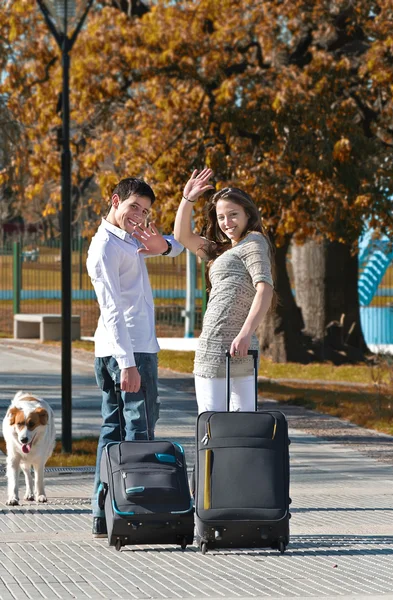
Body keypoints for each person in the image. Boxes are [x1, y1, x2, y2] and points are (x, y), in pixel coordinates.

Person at [86, 177, 184, 538]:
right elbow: (111, 309)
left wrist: (163, 245)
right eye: (134, 208)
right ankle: (139, 515)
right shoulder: (104, 249)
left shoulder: (127, 241)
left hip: (123, 348)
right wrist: (127, 363)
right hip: (129, 351)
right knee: (138, 432)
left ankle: (104, 515)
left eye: (145, 211)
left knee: (113, 432)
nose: (139, 216)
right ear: (115, 201)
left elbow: (175, 247)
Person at [174, 168, 275, 414]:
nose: (227, 223)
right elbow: (182, 236)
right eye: (221, 217)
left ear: (247, 214)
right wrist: (187, 199)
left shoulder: (254, 241)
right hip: (212, 345)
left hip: (240, 344)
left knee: (244, 423)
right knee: (211, 422)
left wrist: (244, 333)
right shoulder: (221, 250)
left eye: (233, 215)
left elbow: (265, 289)